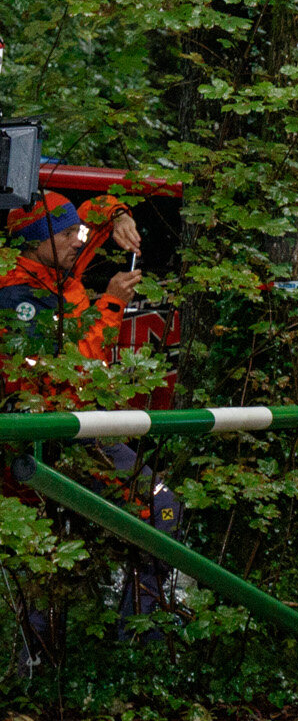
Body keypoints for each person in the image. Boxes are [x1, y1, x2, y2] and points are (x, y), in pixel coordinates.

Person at [2, 190, 182, 619]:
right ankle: (136, 642)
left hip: (74, 432)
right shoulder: (18, 298)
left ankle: (127, 640)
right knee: (158, 508)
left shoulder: (55, 266)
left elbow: (89, 214)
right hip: (48, 440)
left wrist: (118, 215)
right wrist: (112, 303)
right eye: (67, 235)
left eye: (77, 233)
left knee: (51, 561)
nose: (80, 241)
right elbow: (71, 371)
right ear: (35, 241)